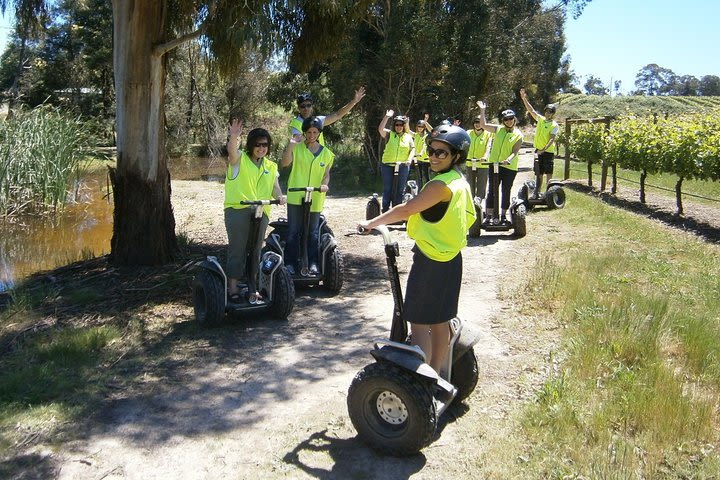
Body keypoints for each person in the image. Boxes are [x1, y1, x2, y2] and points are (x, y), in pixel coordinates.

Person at [358, 124, 476, 374]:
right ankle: (437, 372)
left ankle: (421, 380)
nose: (433, 156)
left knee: (420, 322)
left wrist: (371, 223)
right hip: (451, 257)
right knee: (441, 320)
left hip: (430, 260)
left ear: (456, 156)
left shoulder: (439, 186)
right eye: (431, 150)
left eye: (441, 153)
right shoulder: (459, 182)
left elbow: (405, 210)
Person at [224, 119, 286, 303]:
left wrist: (280, 196)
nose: (261, 148)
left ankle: (253, 287)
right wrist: (234, 136)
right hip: (238, 209)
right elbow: (232, 152)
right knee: (238, 248)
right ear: (251, 145)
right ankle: (233, 287)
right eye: (257, 144)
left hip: (261, 211)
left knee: (256, 249)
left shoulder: (271, 166)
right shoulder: (240, 159)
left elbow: (275, 187)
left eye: (265, 145)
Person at [281, 116, 335, 276]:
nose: (311, 135)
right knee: (293, 231)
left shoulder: (327, 154)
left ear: (319, 133)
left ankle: (312, 263)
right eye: (309, 132)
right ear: (304, 132)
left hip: (316, 197)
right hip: (296, 196)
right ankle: (290, 263)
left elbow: (326, 174)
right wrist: (291, 146)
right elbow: (284, 163)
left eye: (315, 132)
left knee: (312, 232)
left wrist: (325, 184)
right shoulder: (297, 148)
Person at [475, 101, 523, 225]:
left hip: (509, 167)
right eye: (506, 119)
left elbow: (515, 151)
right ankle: (489, 216)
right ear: (503, 121)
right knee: (492, 190)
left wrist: (509, 159)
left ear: (514, 119)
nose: (509, 121)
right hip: (494, 165)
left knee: (506, 190)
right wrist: (482, 110)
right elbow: (483, 125)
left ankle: (503, 216)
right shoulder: (498, 129)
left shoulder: (518, 135)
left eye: (511, 118)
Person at [289, 87, 366, 145]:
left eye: (308, 105)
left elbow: (337, 115)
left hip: (321, 161)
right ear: (299, 108)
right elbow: (299, 142)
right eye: (303, 106)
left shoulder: (318, 120)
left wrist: (354, 102)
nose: (306, 108)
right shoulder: (296, 123)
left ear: (312, 106)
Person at [520, 88, 559, 198]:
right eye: (547, 111)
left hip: (548, 152)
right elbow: (531, 110)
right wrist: (524, 98)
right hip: (538, 151)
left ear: (553, 114)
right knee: (539, 173)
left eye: (551, 112)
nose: (548, 113)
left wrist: (544, 149)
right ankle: (536, 193)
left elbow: (551, 139)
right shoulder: (540, 119)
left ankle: (549, 194)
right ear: (545, 111)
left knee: (548, 174)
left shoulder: (554, 125)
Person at [377, 110, 415, 212]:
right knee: (388, 189)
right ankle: (385, 211)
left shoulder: (408, 137)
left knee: (400, 190)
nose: (399, 127)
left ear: (404, 126)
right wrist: (387, 116)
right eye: (397, 125)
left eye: (401, 125)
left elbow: (413, 149)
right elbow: (380, 129)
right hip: (388, 165)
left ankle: (397, 212)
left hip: (403, 166)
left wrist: (409, 159)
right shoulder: (389, 134)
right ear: (394, 125)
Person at [465, 114, 493, 202]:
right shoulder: (468, 133)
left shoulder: (488, 134)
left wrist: (485, 156)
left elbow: (489, 146)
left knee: (481, 186)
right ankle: (470, 204)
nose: (477, 124)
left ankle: (479, 203)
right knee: (470, 185)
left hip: (482, 164)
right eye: (476, 122)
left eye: (480, 122)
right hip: (469, 163)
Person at [413, 115, 432, 187]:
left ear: (424, 128)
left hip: (426, 160)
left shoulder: (427, 136)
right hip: (417, 159)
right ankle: (420, 193)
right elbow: (408, 131)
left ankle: (429, 193)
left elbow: (432, 130)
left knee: (427, 178)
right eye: (419, 126)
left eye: (422, 126)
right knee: (419, 178)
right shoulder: (416, 135)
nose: (420, 128)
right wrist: (406, 122)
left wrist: (426, 121)